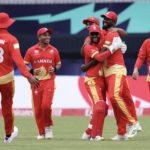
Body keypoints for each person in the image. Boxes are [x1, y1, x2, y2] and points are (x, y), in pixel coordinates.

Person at [81, 11, 141, 141]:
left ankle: (132, 123)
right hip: (103, 75)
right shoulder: (92, 37)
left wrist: (118, 41)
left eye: (91, 24)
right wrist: (115, 47)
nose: (88, 27)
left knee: (114, 98)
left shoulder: (109, 33)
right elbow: (99, 54)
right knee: (112, 103)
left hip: (114, 70)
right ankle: (121, 133)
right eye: (87, 24)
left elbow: (121, 34)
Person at [0, 12, 39, 144]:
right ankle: (8, 135)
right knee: (7, 106)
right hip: (6, 79)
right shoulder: (12, 39)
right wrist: (28, 76)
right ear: (7, 24)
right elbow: (19, 61)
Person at [81, 24, 123, 141]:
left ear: (100, 34)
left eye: (96, 34)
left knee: (103, 108)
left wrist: (121, 46)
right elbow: (99, 58)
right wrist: (113, 48)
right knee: (100, 105)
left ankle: (89, 132)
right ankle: (95, 136)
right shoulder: (88, 47)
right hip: (92, 80)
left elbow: (113, 36)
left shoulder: (101, 43)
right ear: (89, 35)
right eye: (92, 34)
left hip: (101, 80)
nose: (94, 36)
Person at [24, 27, 61, 140]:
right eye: (44, 35)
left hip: (49, 81)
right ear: (39, 37)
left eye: (49, 35)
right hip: (36, 83)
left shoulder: (53, 50)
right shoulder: (31, 50)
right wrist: (31, 71)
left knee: (45, 106)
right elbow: (24, 64)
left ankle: (48, 127)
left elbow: (59, 64)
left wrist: (54, 68)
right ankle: (41, 132)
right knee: (38, 109)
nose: (47, 37)